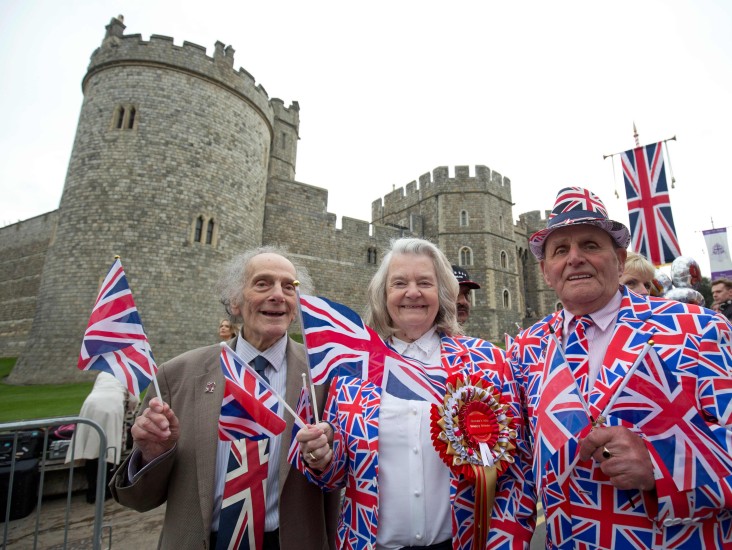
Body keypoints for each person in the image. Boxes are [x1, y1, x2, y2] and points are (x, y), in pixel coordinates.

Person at [509, 186, 732, 548]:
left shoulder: (698, 327)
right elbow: (517, 468)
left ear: (619, 257)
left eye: (590, 245)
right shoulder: (526, 349)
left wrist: (663, 464)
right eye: (560, 250)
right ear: (545, 271)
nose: (574, 258)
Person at [296, 238, 534, 549]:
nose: (412, 292)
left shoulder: (488, 363)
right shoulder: (352, 369)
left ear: (443, 293)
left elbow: (518, 470)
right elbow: (334, 477)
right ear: (384, 295)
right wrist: (322, 456)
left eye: (425, 282)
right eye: (399, 283)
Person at [110, 247, 339, 550]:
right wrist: (152, 456)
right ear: (235, 301)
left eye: (289, 287)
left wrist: (326, 458)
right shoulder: (176, 376)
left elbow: (341, 476)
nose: (278, 295)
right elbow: (139, 498)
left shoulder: (325, 378)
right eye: (262, 283)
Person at [66, 371, 139, 503]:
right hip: (112, 407)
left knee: (91, 450)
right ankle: (105, 490)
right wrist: (131, 411)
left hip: (90, 405)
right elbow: (134, 400)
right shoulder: (128, 373)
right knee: (109, 449)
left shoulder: (102, 373)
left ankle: (92, 491)